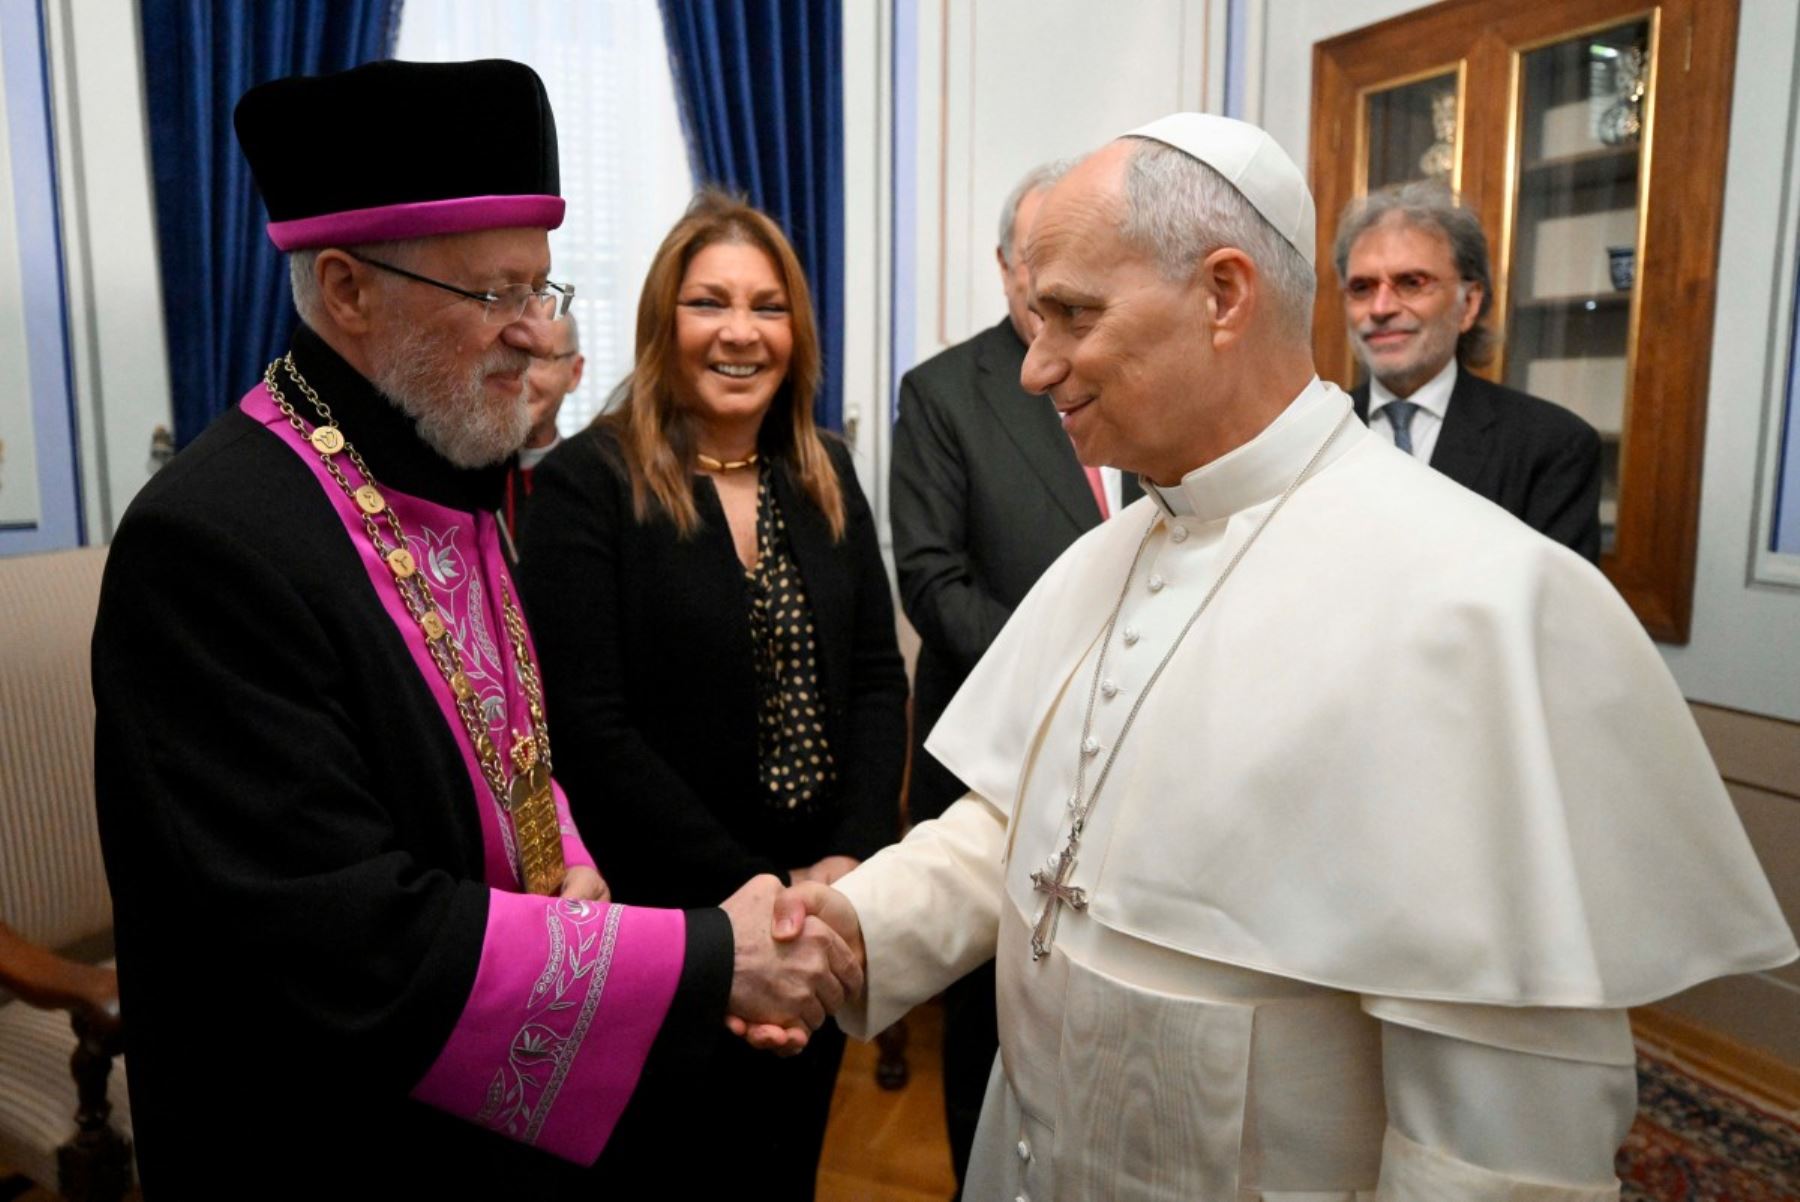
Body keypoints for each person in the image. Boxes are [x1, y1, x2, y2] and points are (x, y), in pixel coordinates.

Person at [754, 114, 1796, 1198]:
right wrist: (855, 926)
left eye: (1071, 315)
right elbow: (1026, 828)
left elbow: (1495, 1144)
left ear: (1223, 292)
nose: (1034, 365)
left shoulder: (1477, 602)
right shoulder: (1106, 557)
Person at [90, 60, 858, 1199]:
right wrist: (705, 955)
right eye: (496, 294)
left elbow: (517, 740)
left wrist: (579, 871)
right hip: (324, 1134)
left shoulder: (449, 466)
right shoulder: (210, 541)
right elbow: (345, 937)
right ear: (348, 289)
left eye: (544, 291)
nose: (535, 336)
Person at [516, 190, 907, 1197]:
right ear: (663, 323)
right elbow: (588, 731)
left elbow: (873, 682)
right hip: (670, 931)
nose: (741, 331)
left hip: (819, 912)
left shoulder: (830, 474)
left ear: (797, 329)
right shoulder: (585, 483)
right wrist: (753, 900)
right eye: (709, 303)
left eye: (768, 306)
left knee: (786, 1174)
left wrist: (841, 874)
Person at [888, 160, 1139, 1195]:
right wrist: (1087, 681)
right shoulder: (946, 390)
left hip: (1138, 768)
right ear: (1004, 266)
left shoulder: (1135, 372)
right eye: (1038, 260)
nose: (1055, 283)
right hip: (999, 758)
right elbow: (934, 583)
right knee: (993, 1020)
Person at [1338, 181, 1603, 561]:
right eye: (1361, 287)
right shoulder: (1316, 435)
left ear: (1469, 304)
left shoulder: (1553, 446)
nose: (1380, 308)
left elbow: (1557, 613)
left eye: (1411, 283)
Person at [504, 312, 584, 543]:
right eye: (511, 355)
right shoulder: (458, 476)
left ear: (575, 372)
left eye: (539, 358)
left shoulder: (592, 478)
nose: (521, 376)